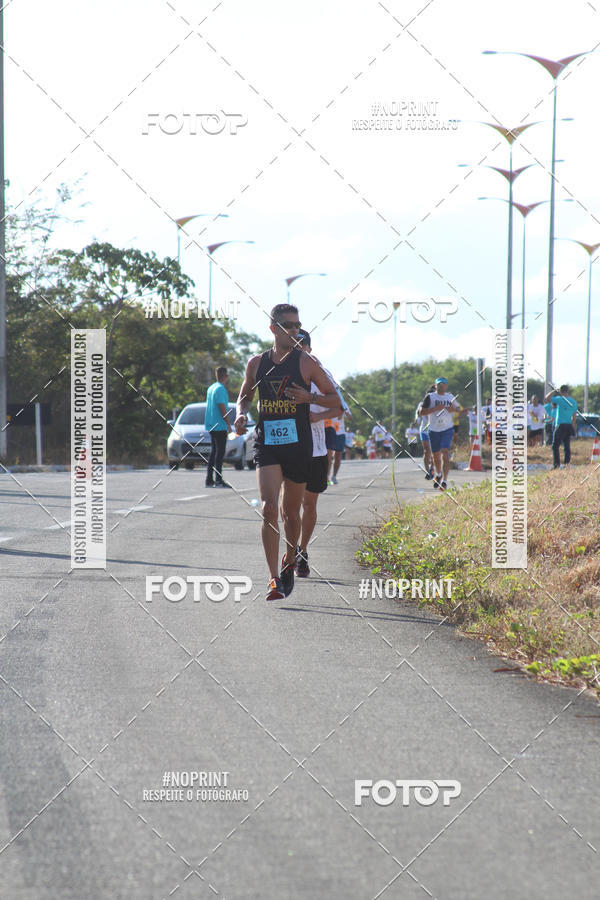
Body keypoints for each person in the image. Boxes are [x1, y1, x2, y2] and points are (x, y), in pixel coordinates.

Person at [235, 304, 340, 601]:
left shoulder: (306, 363)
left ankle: (290, 558)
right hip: (267, 443)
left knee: (291, 514)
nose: (295, 330)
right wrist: (241, 413)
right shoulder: (256, 363)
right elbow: (244, 396)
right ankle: (273, 580)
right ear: (273, 328)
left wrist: (309, 397)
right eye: (289, 326)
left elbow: (336, 401)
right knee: (269, 508)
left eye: (298, 325)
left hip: (298, 447)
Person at [294, 329, 344, 578]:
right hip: (288, 448)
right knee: (288, 505)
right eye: (294, 344)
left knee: (309, 503)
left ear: (309, 349)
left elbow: (339, 409)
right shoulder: (279, 372)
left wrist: (317, 416)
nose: (298, 348)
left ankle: (302, 550)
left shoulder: (322, 374)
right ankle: (290, 551)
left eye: (302, 344)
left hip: (315, 448)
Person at [420, 376, 466, 490]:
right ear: (436, 386)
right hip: (433, 430)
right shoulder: (430, 397)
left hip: (447, 429)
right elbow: (421, 412)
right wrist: (435, 408)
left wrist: (453, 409)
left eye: (443, 384)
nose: (441, 386)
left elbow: (460, 410)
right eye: (439, 384)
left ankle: (445, 480)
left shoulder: (450, 397)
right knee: (436, 455)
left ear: (446, 386)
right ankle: (439, 474)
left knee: (445, 452)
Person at [205, 366, 232, 488]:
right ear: (225, 376)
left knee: (213, 452)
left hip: (211, 424)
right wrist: (228, 424)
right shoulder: (221, 389)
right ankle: (218, 480)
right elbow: (222, 407)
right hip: (219, 425)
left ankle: (209, 479)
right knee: (219, 454)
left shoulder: (211, 388)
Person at [545, 384, 578, 469]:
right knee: (567, 445)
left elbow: (547, 398)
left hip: (560, 425)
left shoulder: (560, 399)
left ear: (560, 391)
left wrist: (554, 390)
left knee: (555, 445)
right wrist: (573, 426)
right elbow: (574, 416)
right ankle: (567, 464)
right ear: (567, 391)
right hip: (569, 425)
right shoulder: (573, 401)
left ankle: (556, 465)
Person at [416, 384, 435, 479]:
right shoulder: (421, 404)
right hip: (424, 429)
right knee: (427, 450)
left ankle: (432, 468)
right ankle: (428, 471)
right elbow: (418, 415)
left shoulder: (437, 404)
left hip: (434, 430)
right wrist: (418, 418)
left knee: (434, 452)